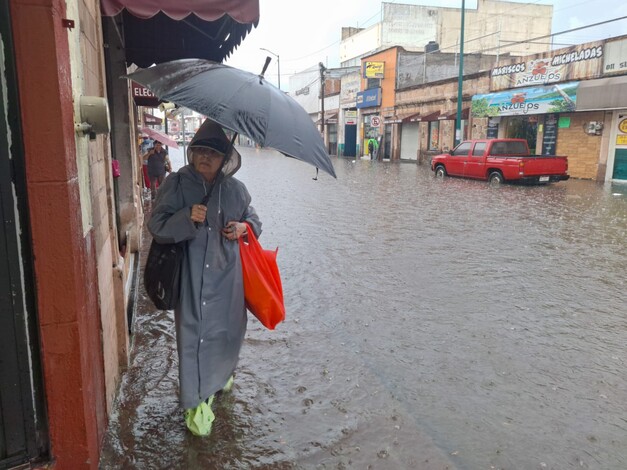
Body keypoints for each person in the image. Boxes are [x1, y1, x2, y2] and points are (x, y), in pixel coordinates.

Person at [147, 119, 261, 437]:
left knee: (227, 333)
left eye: (212, 153)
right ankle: (196, 403)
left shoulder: (236, 190)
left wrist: (244, 228)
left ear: (226, 158)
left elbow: (253, 219)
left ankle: (221, 375)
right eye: (198, 151)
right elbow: (156, 224)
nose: (204, 158)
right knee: (194, 338)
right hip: (191, 276)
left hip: (228, 278)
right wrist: (186, 217)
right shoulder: (177, 184)